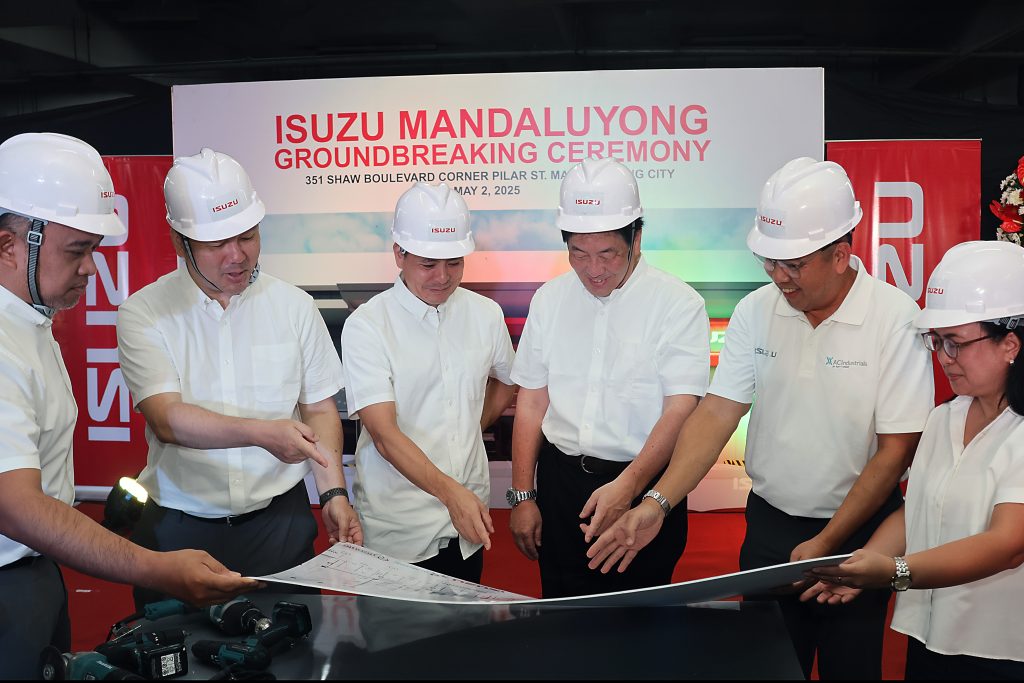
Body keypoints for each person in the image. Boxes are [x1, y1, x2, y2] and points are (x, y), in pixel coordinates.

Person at [588, 157, 934, 679]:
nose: (778, 276)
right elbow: (716, 413)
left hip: (860, 531)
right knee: (765, 664)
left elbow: (896, 452)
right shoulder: (756, 310)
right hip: (769, 527)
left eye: (793, 264)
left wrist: (826, 545)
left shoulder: (895, 319)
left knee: (851, 666)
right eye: (769, 261)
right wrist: (658, 502)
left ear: (841, 255)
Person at [0, 133, 257, 678]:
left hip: (35, 573)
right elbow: (16, 506)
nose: (91, 269)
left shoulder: (28, 323)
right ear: (8, 246)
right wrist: (157, 569)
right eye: (77, 251)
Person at [116, 148, 361, 608]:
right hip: (178, 527)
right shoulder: (144, 313)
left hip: (279, 524)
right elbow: (167, 419)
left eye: (247, 236)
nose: (237, 256)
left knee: (294, 642)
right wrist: (264, 434)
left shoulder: (293, 307)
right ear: (179, 242)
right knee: (175, 646)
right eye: (216, 244)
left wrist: (332, 492)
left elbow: (319, 409)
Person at [803, 240, 1024, 680]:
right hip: (930, 637)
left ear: (1010, 344)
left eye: (956, 343)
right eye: (936, 342)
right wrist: (859, 565)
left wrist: (894, 571)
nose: (943, 358)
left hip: (1001, 650)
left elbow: (1009, 543)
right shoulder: (945, 418)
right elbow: (916, 511)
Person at [508, 156, 710, 598]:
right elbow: (532, 402)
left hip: (645, 485)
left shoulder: (678, 304)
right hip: (561, 483)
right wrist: (523, 495)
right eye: (579, 254)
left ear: (636, 237)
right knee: (562, 614)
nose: (593, 270)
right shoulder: (550, 300)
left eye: (607, 254)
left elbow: (680, 409)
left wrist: (630, 486)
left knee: (640, 616)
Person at [340, 182, 515, 582]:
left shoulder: (485, 314)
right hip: (398, 528)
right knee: (393, 624)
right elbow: (383, 435)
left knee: (464, 620)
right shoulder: (369, 326)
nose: (442, 277)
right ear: (399, 254)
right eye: (428, 264)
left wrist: (470, 425)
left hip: (467, 526)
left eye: (454, 263)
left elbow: (507, 381)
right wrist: (452, 493)